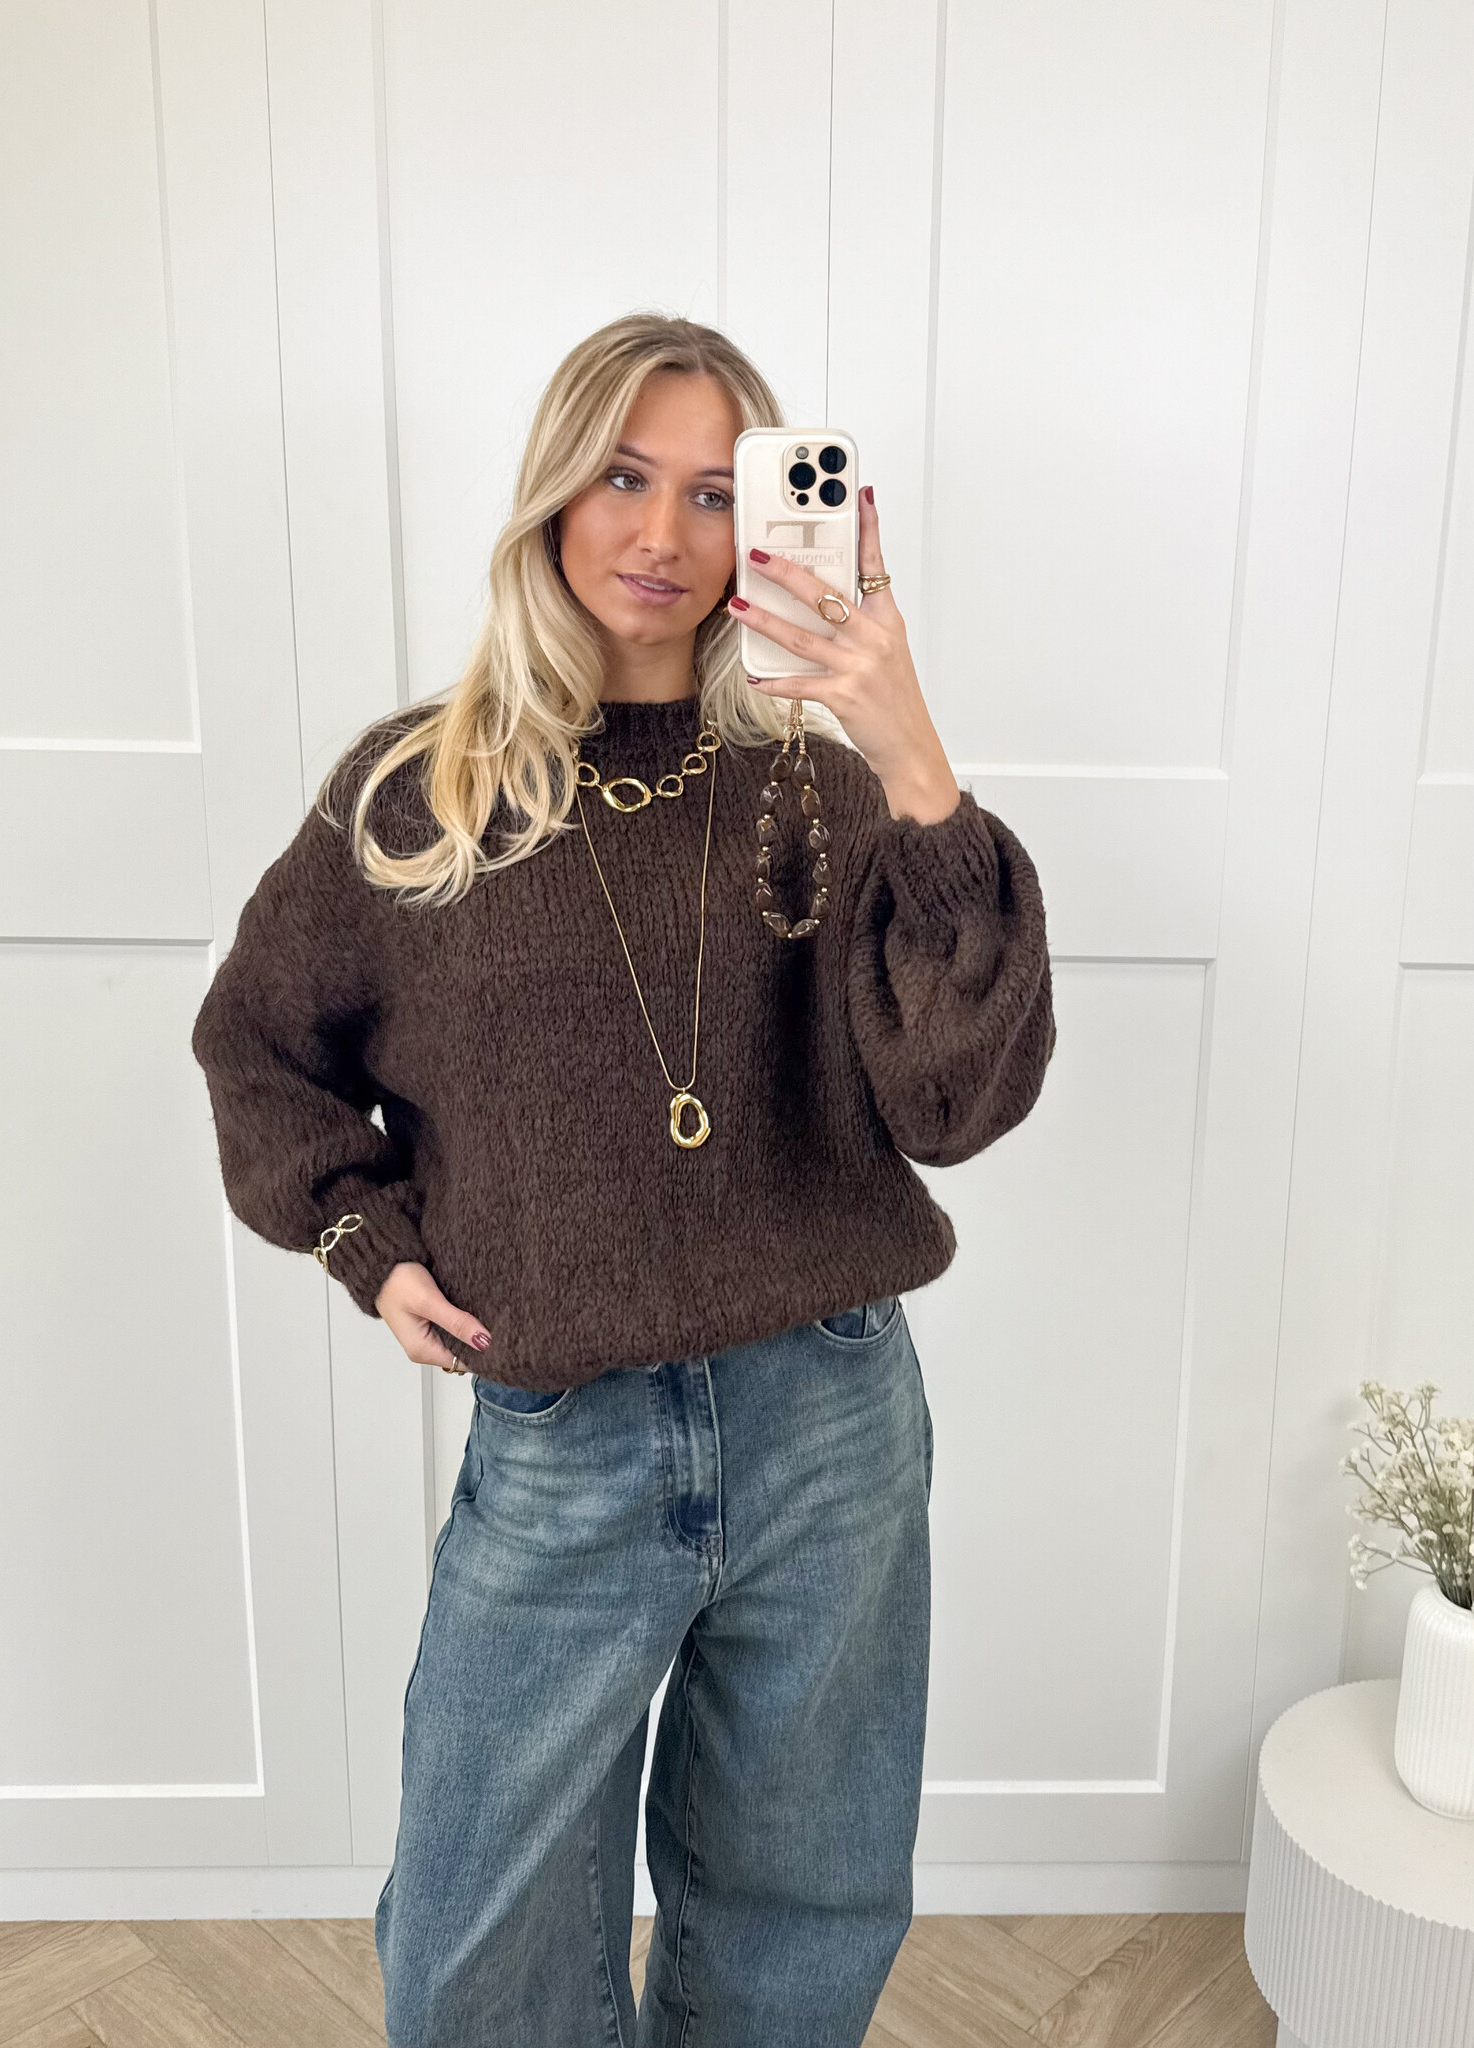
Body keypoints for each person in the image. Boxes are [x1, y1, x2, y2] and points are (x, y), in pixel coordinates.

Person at [191, 312, 1055, 2048]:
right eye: (622, 477)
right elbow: (259, 1043)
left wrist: (912, 756)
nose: (662, 534)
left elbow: (957, 1102)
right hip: (563, 1434)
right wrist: (365, 1240)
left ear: (769, 528)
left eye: (719, 494)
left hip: (830, 1419)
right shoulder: (419, 796)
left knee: (803, 1898)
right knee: (472, 1936)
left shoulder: (823, 791)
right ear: (552, 496)